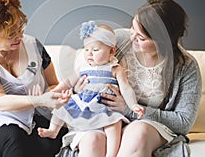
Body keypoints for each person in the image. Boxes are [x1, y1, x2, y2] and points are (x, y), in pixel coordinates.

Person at [57, 0, 202, 157]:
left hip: (149, 126)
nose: (132, 36)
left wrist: (129, 109)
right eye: (132, 27)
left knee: (138, 132)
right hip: (103, 118)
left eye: (141, 37)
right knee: (92, 140)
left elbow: (183, 122)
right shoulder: (118, 41)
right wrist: (78, 88)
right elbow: (84, 69)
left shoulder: (186, 66)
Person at [0, 0, 70, 157]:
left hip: (34, 118)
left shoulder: (34, 45)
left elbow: (53, 84)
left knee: (55, 137)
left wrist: (53, 95)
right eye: (11, 34)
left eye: (19, 28)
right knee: (15, 139)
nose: (20, 36)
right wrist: (38, 100)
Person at [38, 21, 145, 157]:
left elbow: (126, 89)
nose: (89, 54)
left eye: (95, 50)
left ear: (111, 51)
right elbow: (68, 81)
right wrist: (55, 91)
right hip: (85, 103)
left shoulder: (115, 69)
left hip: (106, 106)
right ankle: (53, 130)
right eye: (86, 50)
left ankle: (112, 153)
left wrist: (133, 104)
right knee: (61, 107)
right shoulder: (83, 68)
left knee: (114, 123)